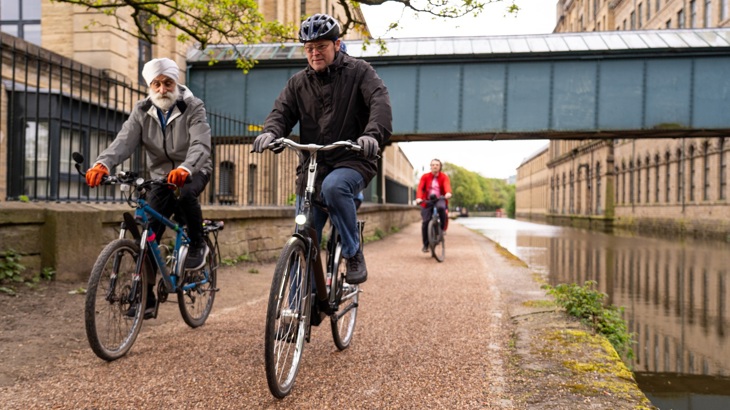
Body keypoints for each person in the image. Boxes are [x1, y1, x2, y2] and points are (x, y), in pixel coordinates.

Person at [252, 13, 392, 285]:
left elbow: (379, 102)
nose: (315, 53)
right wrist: (271, 132)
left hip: (353, 160)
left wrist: (371, 135)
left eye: (321, 46)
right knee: (304, 239)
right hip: (313, 168)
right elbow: (281, 113)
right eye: (309, 48)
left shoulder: (360, 71)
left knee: (334, 187)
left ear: (337, 45)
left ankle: (353, 253)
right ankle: (297, 310)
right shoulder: (297, 83)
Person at [85, 57, 212, 316]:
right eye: (156, 84)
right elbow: (124, 140)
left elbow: (200, 143)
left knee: (187, 194)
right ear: (150, 86)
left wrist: (186, 168)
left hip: (194, 168)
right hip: (160, 176)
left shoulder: (193, 107)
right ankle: (148, 296)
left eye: (168, 83)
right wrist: (102, 163)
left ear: (176, 83)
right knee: (149, 232)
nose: (162, 89)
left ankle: (198, 243)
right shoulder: (142, 110)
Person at [416, 159, 452, 253]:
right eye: (433, 165)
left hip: (440, 199)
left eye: (437, 165)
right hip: (427, 201)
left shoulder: (444, 176)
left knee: (441, 208)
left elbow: (446, 185)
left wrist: (448, 193)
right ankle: (425, 244)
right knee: (425, 222)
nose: (435, 166)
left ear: (440, 166)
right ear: (430, 166)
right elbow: (420, 187)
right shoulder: (425, 176)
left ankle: (442, 229)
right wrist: (419, 198)